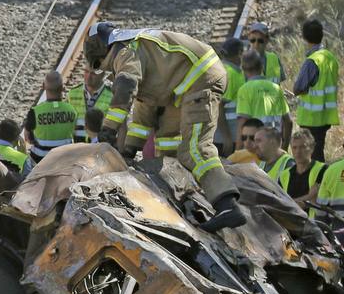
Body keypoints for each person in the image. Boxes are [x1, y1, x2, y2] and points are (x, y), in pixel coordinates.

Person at [85, 21, 246, 231]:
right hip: (185, 85)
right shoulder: (135, 49)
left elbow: (126, 87)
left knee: (195, 148)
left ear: (96, 47)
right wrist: (129, 150)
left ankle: (227, 205)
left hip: (200, 79)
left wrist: (108, 129)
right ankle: (176, 196)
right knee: (166, 141)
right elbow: (144, 112)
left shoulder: (123, 51)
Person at [292, 19, 339, 160]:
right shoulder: (330, 57)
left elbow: (298, 88)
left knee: (312, 157)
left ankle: (317, 180)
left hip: (311, 117)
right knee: (319, 152)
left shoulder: (312, 61)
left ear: (304, 37)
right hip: (325, 115)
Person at [235, 50, 292, 141]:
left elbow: (242, 122)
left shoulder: (245, 89)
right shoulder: (276, 88)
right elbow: (288, 121)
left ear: (243, 69)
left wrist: (238, 151)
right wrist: (284, 147)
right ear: (262, 68)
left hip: (256, 143)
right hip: (275, 143)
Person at [23, 72, 79, 162]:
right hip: (65, 159)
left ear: (43, 86)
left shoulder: (35, 112)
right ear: (62, 88)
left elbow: (28, 138)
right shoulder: (72, 110)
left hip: (40, 160)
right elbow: (77, 135)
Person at [218, 38, 247, 155]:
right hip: (229, 138)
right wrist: (227, 138)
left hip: (230, 136)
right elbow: (219, 105)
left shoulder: (226, 69)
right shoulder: (230, 73)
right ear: (240, 53)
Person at [68, 69, 113, 142]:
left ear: (102, 74)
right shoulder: (72, 93)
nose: (88, 76)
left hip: (100, 147)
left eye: (93, 73)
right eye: (86, 71)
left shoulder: (111, 96)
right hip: (77, 147)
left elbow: (120, 127)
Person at [284, 128, 325, 205]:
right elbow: (280, 204)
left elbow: (319, 201)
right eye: (294, 147)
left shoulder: (323, 170)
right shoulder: (284, 175)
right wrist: (309, 197)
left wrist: (291, 203)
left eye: (303, 147)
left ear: (312, 148)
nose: (298, 151)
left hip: (313, 217)